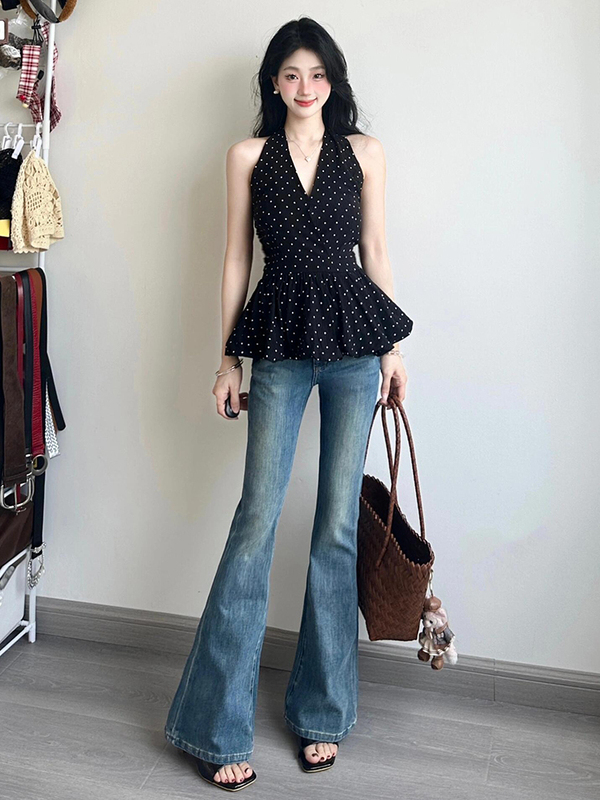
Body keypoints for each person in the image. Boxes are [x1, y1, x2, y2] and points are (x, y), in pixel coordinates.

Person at [164, 16, 414, 791]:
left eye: (318, 73)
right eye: (292, 74)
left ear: (333, 81)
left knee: (336, 530)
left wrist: (393, 351)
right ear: (273, 82)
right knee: (256, 524)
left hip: (355, 350)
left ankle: (322, 714)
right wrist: (226, 359)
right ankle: (216, 728)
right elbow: (236, 258)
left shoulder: (365, 153)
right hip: (276, 344)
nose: (305, 87)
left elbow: (376, 251)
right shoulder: (248, 157)